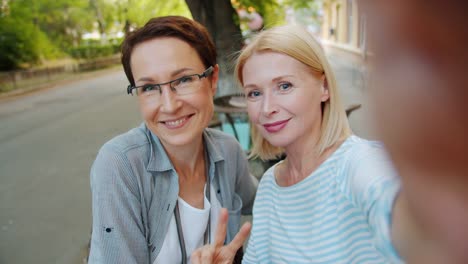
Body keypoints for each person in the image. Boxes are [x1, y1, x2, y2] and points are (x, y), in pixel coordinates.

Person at [192, 24, 402, 263]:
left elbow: (400, 213)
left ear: (324, 87)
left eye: (284, 86)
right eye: (255, 93)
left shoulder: (358, 164)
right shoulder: (271, 185)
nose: (267, 108)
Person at [88, 16, 258, 264]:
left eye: (184, 80)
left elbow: (264, 198)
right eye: (148, 88)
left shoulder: (227, 150)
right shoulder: (121, 164)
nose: (169, 105)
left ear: (212, 80)